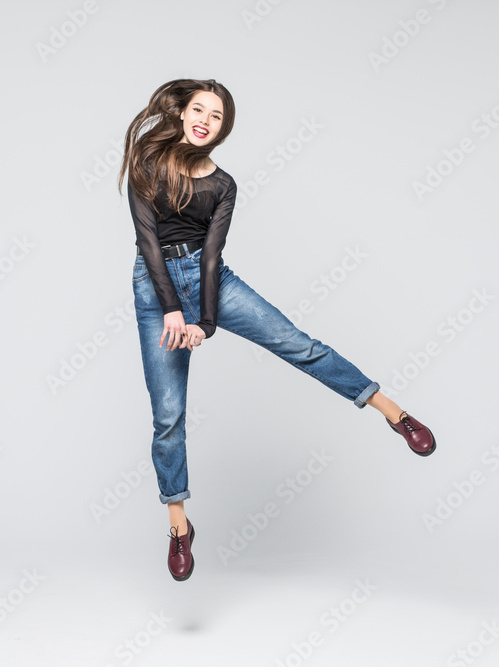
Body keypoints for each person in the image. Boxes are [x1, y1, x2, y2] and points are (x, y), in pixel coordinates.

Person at [117, 78, 437, 582]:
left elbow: (214, 254)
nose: (204, 119)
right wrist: (174, 312)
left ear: (224, 128)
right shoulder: (146, 160)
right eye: (198, 109)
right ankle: (179, 525)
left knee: (297, 345)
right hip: (154, 288)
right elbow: (147, 239)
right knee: (168, 412)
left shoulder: (223, 185)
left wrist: (205, 320)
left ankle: (392, 411)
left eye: (216, 115)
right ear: (181, 114)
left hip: (210, 278)